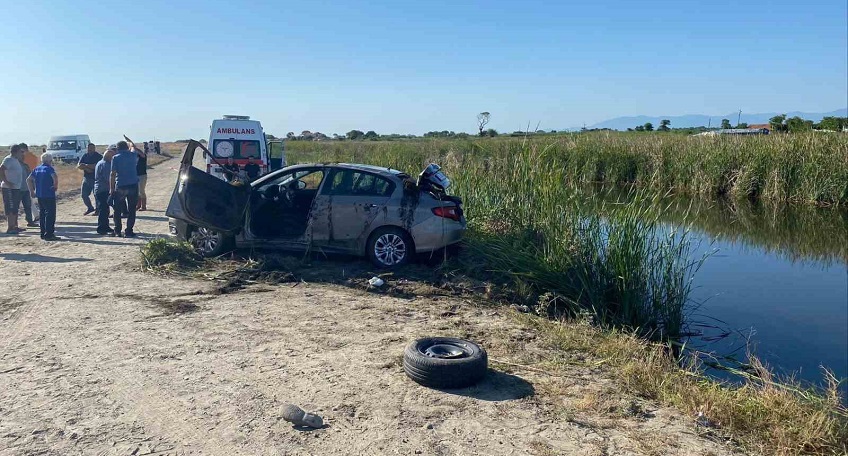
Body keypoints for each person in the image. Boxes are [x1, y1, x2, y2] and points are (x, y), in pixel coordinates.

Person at [110, 139, 143, 237]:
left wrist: (111, 188)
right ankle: (129, 230)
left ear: (117, 148)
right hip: (133, 184)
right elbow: (133, 147)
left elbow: (112, 174)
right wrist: (129, 141)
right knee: (132, 209)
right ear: (126, 147)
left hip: (120, 185)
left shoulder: (115, 158)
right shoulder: (133, 155)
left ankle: (117, 230)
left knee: (117, 209)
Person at [26, 153, 59, 240]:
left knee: (42, 213)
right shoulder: (49, 168)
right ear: (50, 161)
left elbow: (28, 179)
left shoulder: (37, 169)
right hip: (49, 194)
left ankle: (42, 233)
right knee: (50, 214)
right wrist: (55, 185)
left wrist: (31, 191)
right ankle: (49, 234)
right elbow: (54, 176)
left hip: (40, 194)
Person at [1, 144, 25, 234]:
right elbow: (1, 169)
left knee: (15, 207)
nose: (22, 154)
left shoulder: (15, 160)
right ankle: (10, 227)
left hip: (16, 187)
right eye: (20, 152)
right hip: (8, 188)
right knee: (10, 207)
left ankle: (15, 226)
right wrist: (7, 182)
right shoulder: (8, 159)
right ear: (16, 151)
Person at [94, 145, 115, 234]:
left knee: (105, 209)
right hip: (103, 189)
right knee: (103, 209)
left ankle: (105, 226)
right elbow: (108, 178)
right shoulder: (105, 165)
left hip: (100, 189)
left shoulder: (100, 162)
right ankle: (101, 228)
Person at [77, 143, 102, 215]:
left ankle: (98, 210)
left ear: (94, 148)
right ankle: (90, 207)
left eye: (91, 148)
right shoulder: (85, 156)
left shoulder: (98, 156)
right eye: (88, 148)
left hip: (95, 178)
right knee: (84, 194)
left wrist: (86, 165)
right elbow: (79, 165)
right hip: (86, 178)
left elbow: (96, 166)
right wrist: (87, 168)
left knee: (96, 195)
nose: (90, 149)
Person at [17, 143, 38, 227]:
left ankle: (31, 219)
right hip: (21, 186)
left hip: (24, 185)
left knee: (27, 204)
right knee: (27, 204)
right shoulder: (33, 157)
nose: (21, 153)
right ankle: (33, 217)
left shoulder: (24, 161)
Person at [135, 145, 148, 211]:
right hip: (136, 175)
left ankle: (143, 206)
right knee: (137, 191)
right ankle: (138, 205)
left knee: (141, 191)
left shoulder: (143, 156)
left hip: (142, 175)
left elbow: (141, 153)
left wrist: (135, 147)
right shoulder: (135, 158)